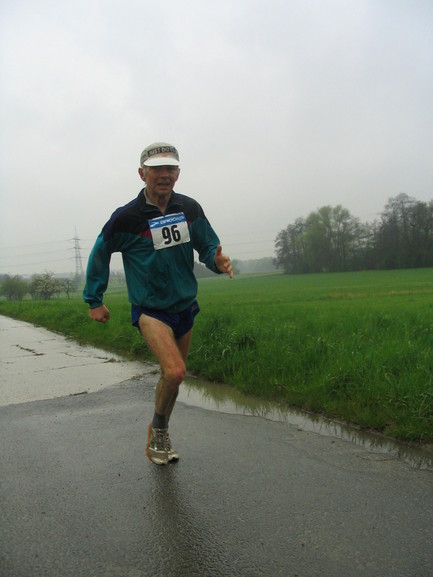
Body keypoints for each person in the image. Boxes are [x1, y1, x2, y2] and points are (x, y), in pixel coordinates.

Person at [83, 142, 233, 465]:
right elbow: (100, 251)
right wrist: (94, 299)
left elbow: (208, 246)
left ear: (178, 173)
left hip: (184, 306)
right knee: (176, 371)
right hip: (150, 309)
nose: (164, 174)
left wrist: (217, 261)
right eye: (157, 169)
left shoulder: (189, 209)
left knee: (172, 378)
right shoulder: (126, 218)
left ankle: (159, 429)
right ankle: (159, 431)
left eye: (170, 168)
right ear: (142, 174)